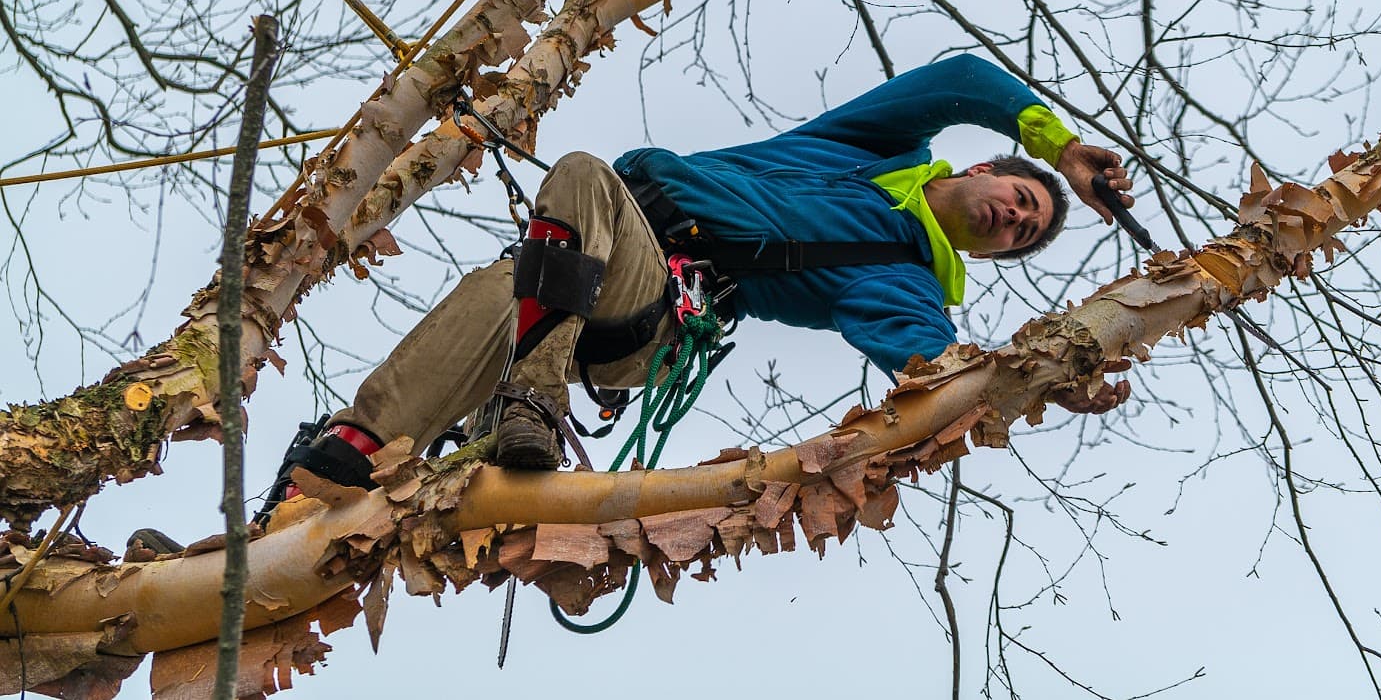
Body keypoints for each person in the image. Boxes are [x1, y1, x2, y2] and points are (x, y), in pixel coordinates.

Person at [275, 55, 1135, 499]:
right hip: (574, 271)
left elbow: (938, 375)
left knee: (581, 176)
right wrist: (1061, 147)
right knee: (498, 289)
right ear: (986, 166)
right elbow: (959, 79)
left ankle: (528, 401)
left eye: (1022, 234)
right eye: (1022, 198)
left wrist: (1042, 380)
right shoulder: (877, 150)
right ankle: (337, 467)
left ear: (985, 257)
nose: (1014, 218)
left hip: (653, 310)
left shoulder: (909, 281)